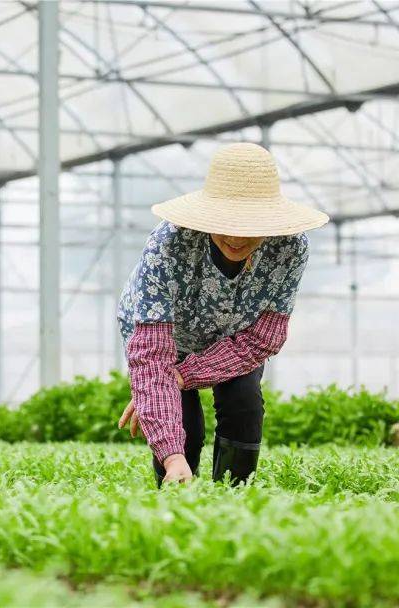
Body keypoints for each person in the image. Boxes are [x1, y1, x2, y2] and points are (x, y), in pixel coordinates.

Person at [115, 142, 329, 487]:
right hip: (170, 335)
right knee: (186, 425)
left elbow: (263, 338)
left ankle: (235, 499)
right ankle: (176, 491)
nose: (236, 236)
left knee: (244, 402)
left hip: (239, 339)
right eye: (227, 221)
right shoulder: (168, 244)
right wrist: (171, 451)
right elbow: (154, 355)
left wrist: (182, 377)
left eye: (251, 225)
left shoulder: (290, 248)